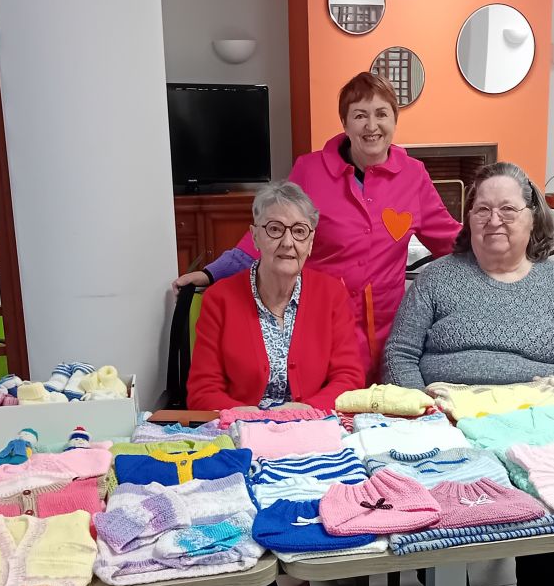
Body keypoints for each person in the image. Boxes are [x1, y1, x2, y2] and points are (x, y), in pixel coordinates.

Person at [385, 162, 554, 586]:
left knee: (551, 491)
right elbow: (399, 353)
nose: (494, 220)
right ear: (468, 219)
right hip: (451, 417)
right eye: (482, 209)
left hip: (534, 415)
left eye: (509, 208)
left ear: (533, 218)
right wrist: (425, 408)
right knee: (441, 487)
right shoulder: (436, 277)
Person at [188, 180, 365, 586]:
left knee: (316, 502)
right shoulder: (219, 299)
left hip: (311, 432)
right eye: (275, 229)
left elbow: (349, 375)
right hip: (243, 435)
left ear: (311, 241)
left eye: (300, 231)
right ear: (256, 235)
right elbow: (201, 390)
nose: (288, 241)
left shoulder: (331, 293)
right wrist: (251, 417)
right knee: (246, 510)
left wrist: (304, 411)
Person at [174, 72, 461, 380]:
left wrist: (505, 255)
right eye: (360, 115)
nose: (371, 126)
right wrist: (211, 272)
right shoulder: (310, 170)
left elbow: (449, 239)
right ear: (345, 123)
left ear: (395, 119)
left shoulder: (413, 175)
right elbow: (269, 232)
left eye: (381, 114)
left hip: (390, 331)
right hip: (322, 323)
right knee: (327, 409)